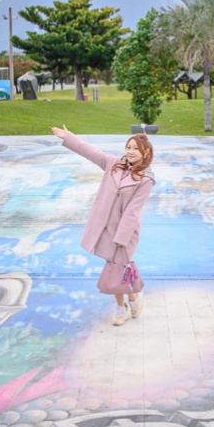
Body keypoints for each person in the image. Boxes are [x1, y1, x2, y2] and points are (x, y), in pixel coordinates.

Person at [51, 126, 155, 326]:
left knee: (119, 267)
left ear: (145, 152)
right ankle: (125, 305)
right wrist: (69, 137)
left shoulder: (146, 179)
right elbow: (90, 151)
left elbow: (132, 211)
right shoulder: (113, 164)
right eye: (128, 147)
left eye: (135, 149)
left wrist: (121, 239)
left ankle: (129, 302)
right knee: (114, 267)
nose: (130, 152)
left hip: (125, 231)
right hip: (105, 227)